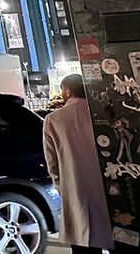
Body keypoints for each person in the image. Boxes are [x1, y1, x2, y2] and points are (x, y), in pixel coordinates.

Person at [43, 74, 113, 254]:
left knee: (84, 240)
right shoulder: (101, 114)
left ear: (68, 91)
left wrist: (61, 186)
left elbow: (52, 164)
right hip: (107, 190)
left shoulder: (53, 120)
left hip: (75, 190)